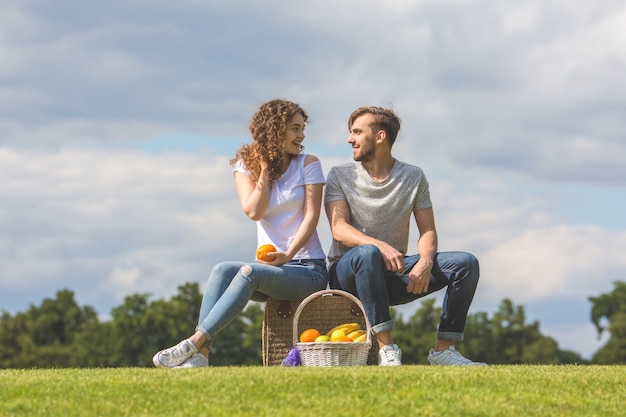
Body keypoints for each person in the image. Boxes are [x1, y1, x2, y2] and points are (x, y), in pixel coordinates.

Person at [153, 99, 328, 368]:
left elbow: (311, 217)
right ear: (275, 129)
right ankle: (202, 357)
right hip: (271, 271)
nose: (301, 135)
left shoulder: (308, 164)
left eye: (302, 128)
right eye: (295, 128)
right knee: (222, 270)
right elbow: (254, 211)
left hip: (307, 269)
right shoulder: (246, 165)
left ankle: (192, 343)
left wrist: (288, 254)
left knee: (250, 272)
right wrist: (266, 171)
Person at [324, 106, 486, 366]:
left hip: (393, 273)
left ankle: (443, 350)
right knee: (368, 253)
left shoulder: (413, 176)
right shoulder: (339, 175)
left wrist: (425, 260)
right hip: (349, 275)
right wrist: (378, 245)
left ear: (380, 136)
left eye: (356, 132)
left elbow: (428, 230)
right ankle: (387, 348)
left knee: (465, 264)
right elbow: (339, 229)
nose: (349, 139)